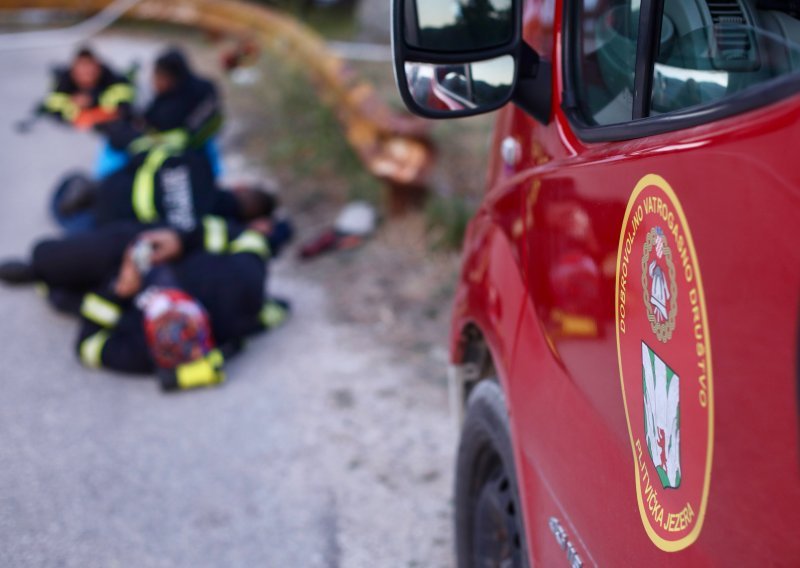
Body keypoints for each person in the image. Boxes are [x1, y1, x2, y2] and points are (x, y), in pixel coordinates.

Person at [74, 224, 287, 390]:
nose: (167, 308)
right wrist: (183, 239)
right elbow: (248, 239)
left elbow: (88, 345)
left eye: (161, 318)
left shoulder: (141, 352)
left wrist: (117, 291)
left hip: (110, 273)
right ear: (204, 316)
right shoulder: (233, 292)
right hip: (171, 233)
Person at [102, 48, 224, 175]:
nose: (153, 81)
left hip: (177, 150)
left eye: (158, 77)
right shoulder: (202, 86)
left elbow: (149, 124)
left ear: (172, 78)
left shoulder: (169, 110)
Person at [39, 47, 134, 128]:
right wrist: (72, 104)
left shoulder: (111, 78)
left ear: (98, 68)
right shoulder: (64, 80)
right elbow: (54, 107)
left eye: (90, 71)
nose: (86, 74)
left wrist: (93, 99)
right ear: (73, 71)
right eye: (82, 71)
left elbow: (123, 105)